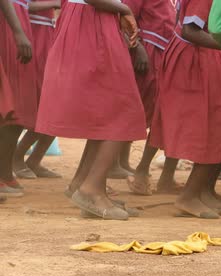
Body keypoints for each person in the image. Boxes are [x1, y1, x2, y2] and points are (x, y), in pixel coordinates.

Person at [35, 0, 146, 220]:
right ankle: (91, 190)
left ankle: (83, 183)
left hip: (94, 20)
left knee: (107, 110)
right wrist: (123, 9)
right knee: (122, 110)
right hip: (91, 22)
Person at [156, 0, 221, 219]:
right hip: (196, 57)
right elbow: (191, 30)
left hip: (207, 53)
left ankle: (203, 191)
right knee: (210, 125)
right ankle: (189, 196)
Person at [122, 0, 179, 196]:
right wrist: (136, 47)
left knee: (169, 115)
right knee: (141, 113)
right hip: (149, 53)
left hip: (171, 53)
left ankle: (163, 176)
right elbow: (126, 17)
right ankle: (131, 169)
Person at [12, 0, 61, 180]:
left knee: (56, 105)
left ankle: (34, 160)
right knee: (35, 103)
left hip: (48, 38)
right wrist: (56, 3)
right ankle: (16, 157)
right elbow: (24, 5)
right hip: (31, 37)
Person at [0, 0, 36, 197]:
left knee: (16, 109)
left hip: (18, 23)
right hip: (7, 26)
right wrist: (18, 31)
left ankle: (5, 172)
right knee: (4, 106)